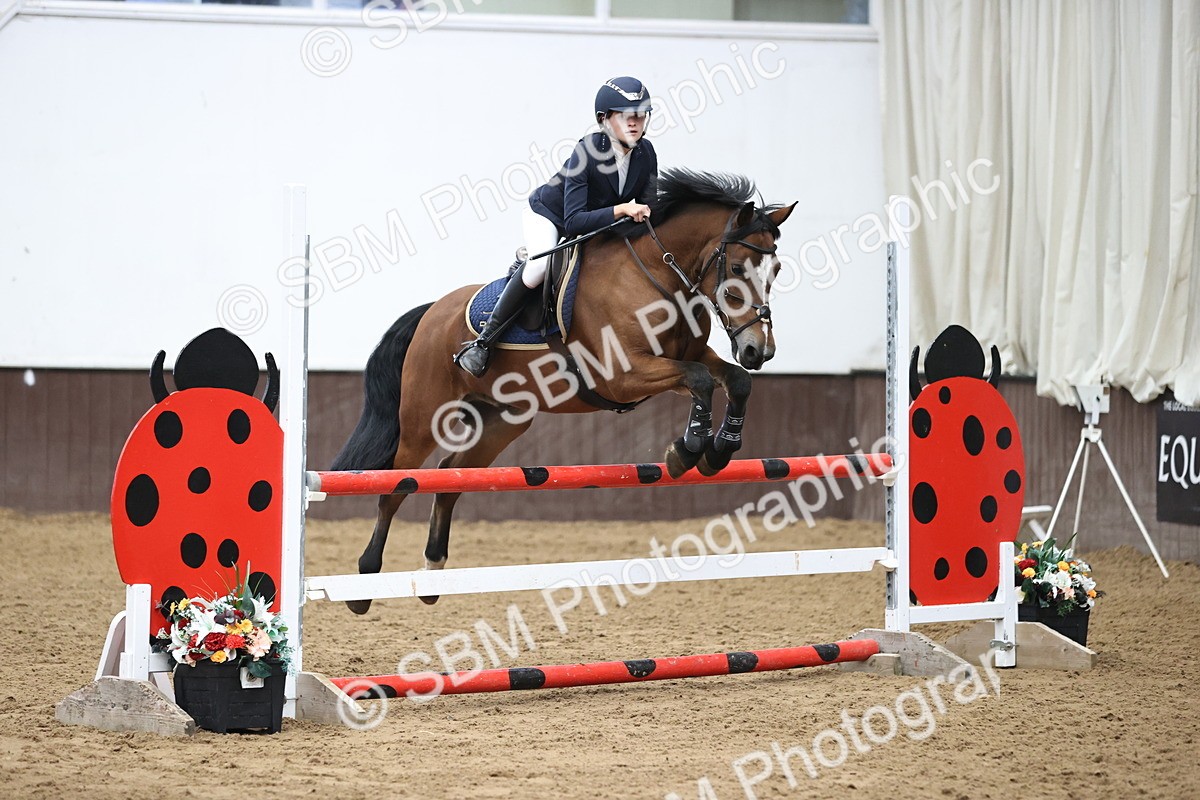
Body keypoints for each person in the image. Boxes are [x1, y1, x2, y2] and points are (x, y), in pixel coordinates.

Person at [454, 75, 659, 377]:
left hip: (599, 226)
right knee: (540, 267)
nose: (635, 122)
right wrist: (621, 209)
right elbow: (574, 220)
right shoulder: (587, 152)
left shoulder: (646, 153)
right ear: (604, 120)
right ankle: (482, 343)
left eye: (641, 115)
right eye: (626, 116)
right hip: (550, 216)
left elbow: (647, 208)